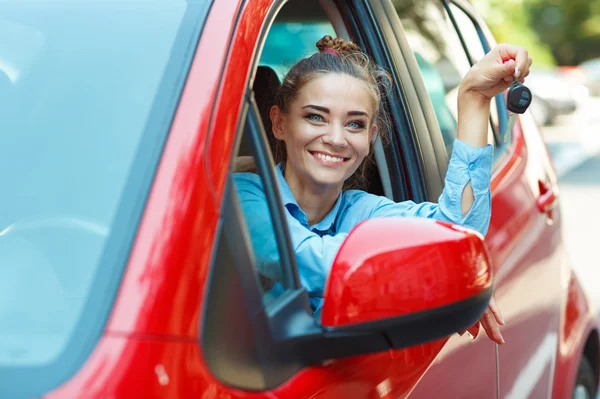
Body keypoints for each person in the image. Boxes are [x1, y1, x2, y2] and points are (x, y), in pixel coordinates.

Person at [235, 36, 532, 345]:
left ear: (370, 137)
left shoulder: (364, 211)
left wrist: (474, 100)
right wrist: (432, 279)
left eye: (354, 125)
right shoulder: (242, 195)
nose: (336, 138)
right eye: (315, 117)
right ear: (279, 123)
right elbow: (309, 261)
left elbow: (458, 231)